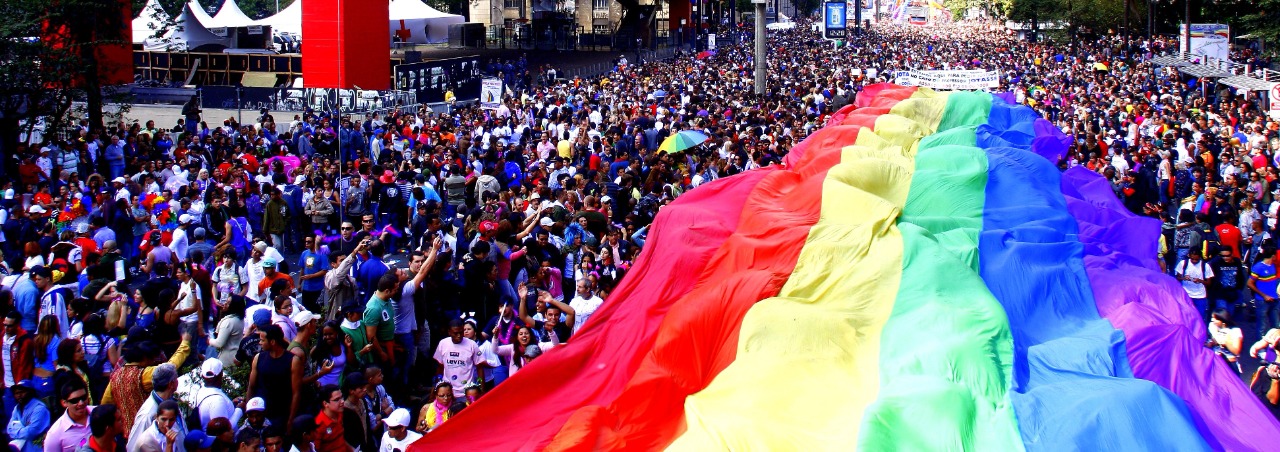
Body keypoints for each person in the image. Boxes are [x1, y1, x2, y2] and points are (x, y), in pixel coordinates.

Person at [244, 325, 302, 433]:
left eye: (262, 340)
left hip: (280, 414)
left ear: (272, 342)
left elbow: (296, 393)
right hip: (260, 412)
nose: (260, 343)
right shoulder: (258, 358)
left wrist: (290, 419)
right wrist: (249, 411)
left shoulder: (293, 361)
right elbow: (251, 386)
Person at [126, 363, 185, 451]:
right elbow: (133, 447)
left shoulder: (171, 401)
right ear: (171, 384)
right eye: (176, 378)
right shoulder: (147, 415)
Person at [433, 319, 485, 398]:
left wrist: (481, 389)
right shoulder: (443, 343)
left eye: (461, 332)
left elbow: (480, 367)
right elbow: (440, 366)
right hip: (448, 393)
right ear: (449, 332)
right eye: (455, 333)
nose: (459, 335)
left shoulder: (472, 345)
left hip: (467, 392)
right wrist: (436, 387)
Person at [193, 359, 242, 428]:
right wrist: (240, 410)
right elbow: (222, 431)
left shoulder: (202, 391)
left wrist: (231, 405)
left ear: (203, 376)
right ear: (221, 374)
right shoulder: (217, 400)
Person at [7, 380, 50, 452]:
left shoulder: (39, 408)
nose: (19, 395)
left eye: (22, 392)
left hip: (36, 448)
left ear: (30, 392)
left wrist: (17, 429)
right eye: (17, 393)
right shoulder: (16, 408)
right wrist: (24, 428)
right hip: (21, 448)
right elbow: (9, 429)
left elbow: (31, 432)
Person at [1176, 249, 1214, 323]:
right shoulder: (1183, 263)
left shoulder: (1205, 266)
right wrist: (1184, 278)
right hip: (1186, 295)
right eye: (1192, 259)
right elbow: (1177, 278)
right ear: (1189, 256)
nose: (1194, 261)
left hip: (1200, 296)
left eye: (1196, 259)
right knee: (1186, 317)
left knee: (1200, 317)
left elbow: (1209, 283)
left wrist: (1200, 281)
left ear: (1200, 257)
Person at [1252, 248, 1280, 340]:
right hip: (1262, 301)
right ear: (1273, 256)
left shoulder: (1273, 265)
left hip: (1274, 300)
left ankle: (1275, 345)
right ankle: (1260, 348)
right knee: (1262, 326)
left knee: (1276, 325)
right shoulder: (1258, 267)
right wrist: (1264, 296)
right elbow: (1249, 283)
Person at [312, 385, 345, 452]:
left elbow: (342, 440)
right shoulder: (319, 425)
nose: (342, 401)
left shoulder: (340, 413)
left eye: (342, 397)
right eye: (337, 399)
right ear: (325, 403)